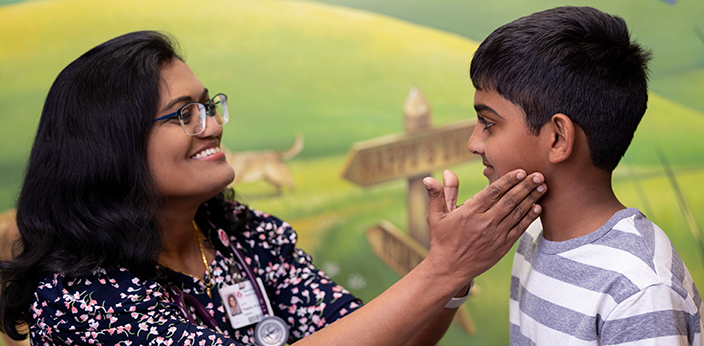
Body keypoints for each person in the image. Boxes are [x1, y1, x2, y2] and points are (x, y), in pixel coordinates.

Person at [0, 31, 547, 345]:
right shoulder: (82, 294)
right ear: (110, 146)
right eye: (182, 114)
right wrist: (443, 267)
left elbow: (377, 338)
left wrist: (455, 274)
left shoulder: (245, 235)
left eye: (208, 106)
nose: (212, 125)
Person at [466, 6, 704, 345]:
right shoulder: (532, 236)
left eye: (489, 124)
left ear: (558, 138)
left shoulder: (638, 290)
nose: (473, 143)